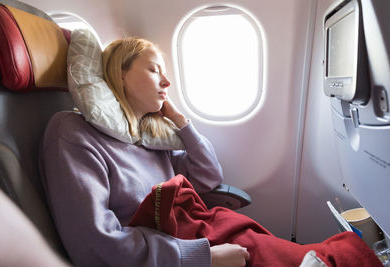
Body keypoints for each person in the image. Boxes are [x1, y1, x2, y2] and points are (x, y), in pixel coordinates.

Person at [39, 37, 250, 267]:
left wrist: (181, 122)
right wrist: (205, 257)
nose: (167, 82)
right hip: (173, 256)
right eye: (154, 70)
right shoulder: (74, 134)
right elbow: (96, 244)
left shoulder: (150, 138)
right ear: (121, 74)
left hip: (190, 238)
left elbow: (208, 178)